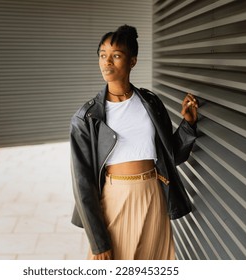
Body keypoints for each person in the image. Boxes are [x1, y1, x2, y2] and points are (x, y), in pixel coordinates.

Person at [70, 25, 198, 260]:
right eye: (102, 55)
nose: (107, 62)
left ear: (133, 61)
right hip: (114, 199)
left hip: (154, 195)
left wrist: (188, 125)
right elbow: (83, 184)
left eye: (116, 55)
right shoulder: (87, 117)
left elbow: (173, 155)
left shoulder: (151, 103)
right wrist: (98, 242)